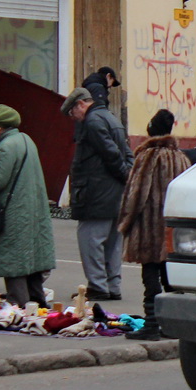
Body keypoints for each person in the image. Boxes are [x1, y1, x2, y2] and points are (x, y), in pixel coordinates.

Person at [118, 109, 191, 340]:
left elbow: (136, 195)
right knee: (170, 277)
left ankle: (151, 324)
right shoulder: (181, 157)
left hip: (150, 227)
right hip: (172, 228)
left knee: (150, 275)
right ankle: (173, 324)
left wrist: (125, 223)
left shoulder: (148, 156)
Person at [61, 87, 135, 301]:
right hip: (115, 194)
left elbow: (111, 153)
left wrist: (123, 174)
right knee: (113, 242)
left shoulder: (92, 122)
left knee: (90, 240)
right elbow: (126, 151)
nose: (73, 119)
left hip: (96, 193)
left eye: (72, 113)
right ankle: (113, 285)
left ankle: (98, 285)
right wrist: (128, 176)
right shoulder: (111, 118)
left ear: (80, 104)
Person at [0, 105, 55, 308]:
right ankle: (37, 301)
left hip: (13, 212)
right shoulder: (26, 140)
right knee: (31, 259)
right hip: (30, 210)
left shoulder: (7, 146)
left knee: (12, 260)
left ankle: (20, 305)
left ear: (0, 126)